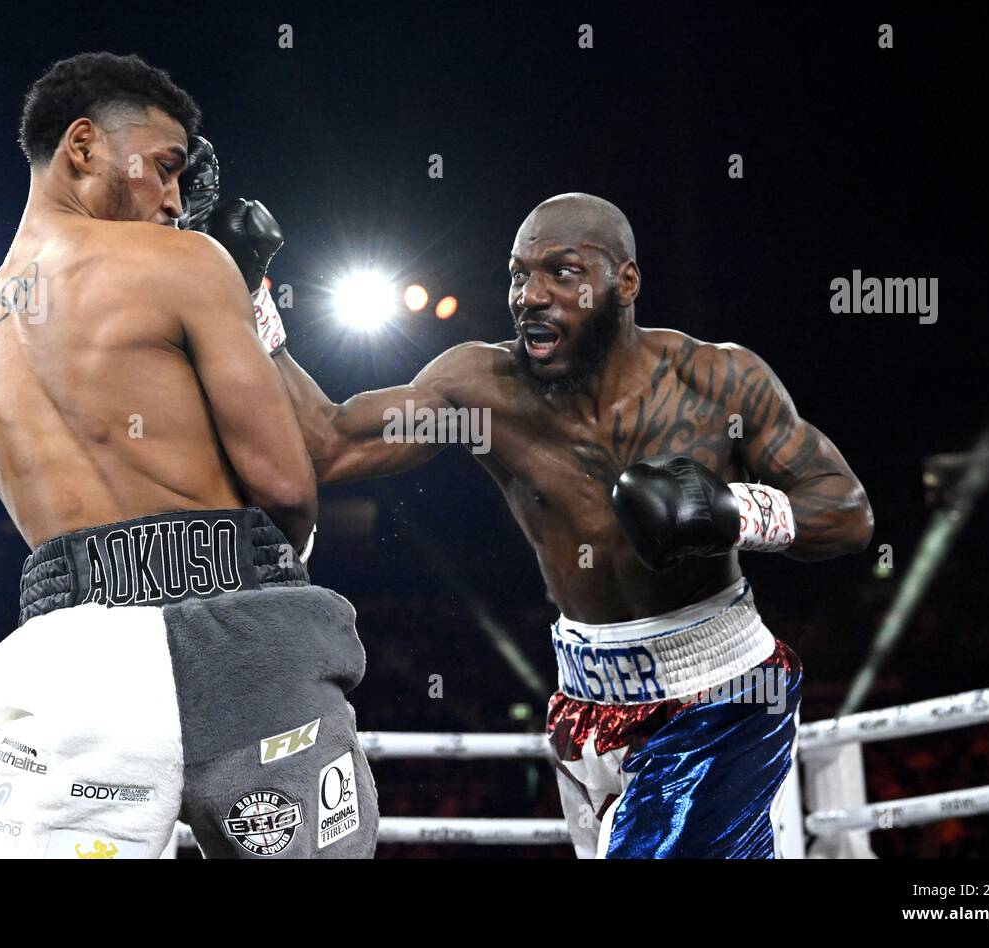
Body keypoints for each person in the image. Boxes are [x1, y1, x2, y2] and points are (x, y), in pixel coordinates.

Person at [238, 192, 873, 857]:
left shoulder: (716, 382)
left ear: (625, 282)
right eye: (519, 274)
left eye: (561, 272)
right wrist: (255, 293)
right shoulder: (485, 390)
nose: (530, 296)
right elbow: (326, 443)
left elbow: (848, 513)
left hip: (722, 692)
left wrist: (734, 511)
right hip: (585, 699)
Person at [0, 52, 376, 859]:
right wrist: (244, 285)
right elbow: (288, 484)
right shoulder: (187, 264)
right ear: (84, 145)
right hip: (239, 637)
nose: (175, 199)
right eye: (165, 168)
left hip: (72, 664)